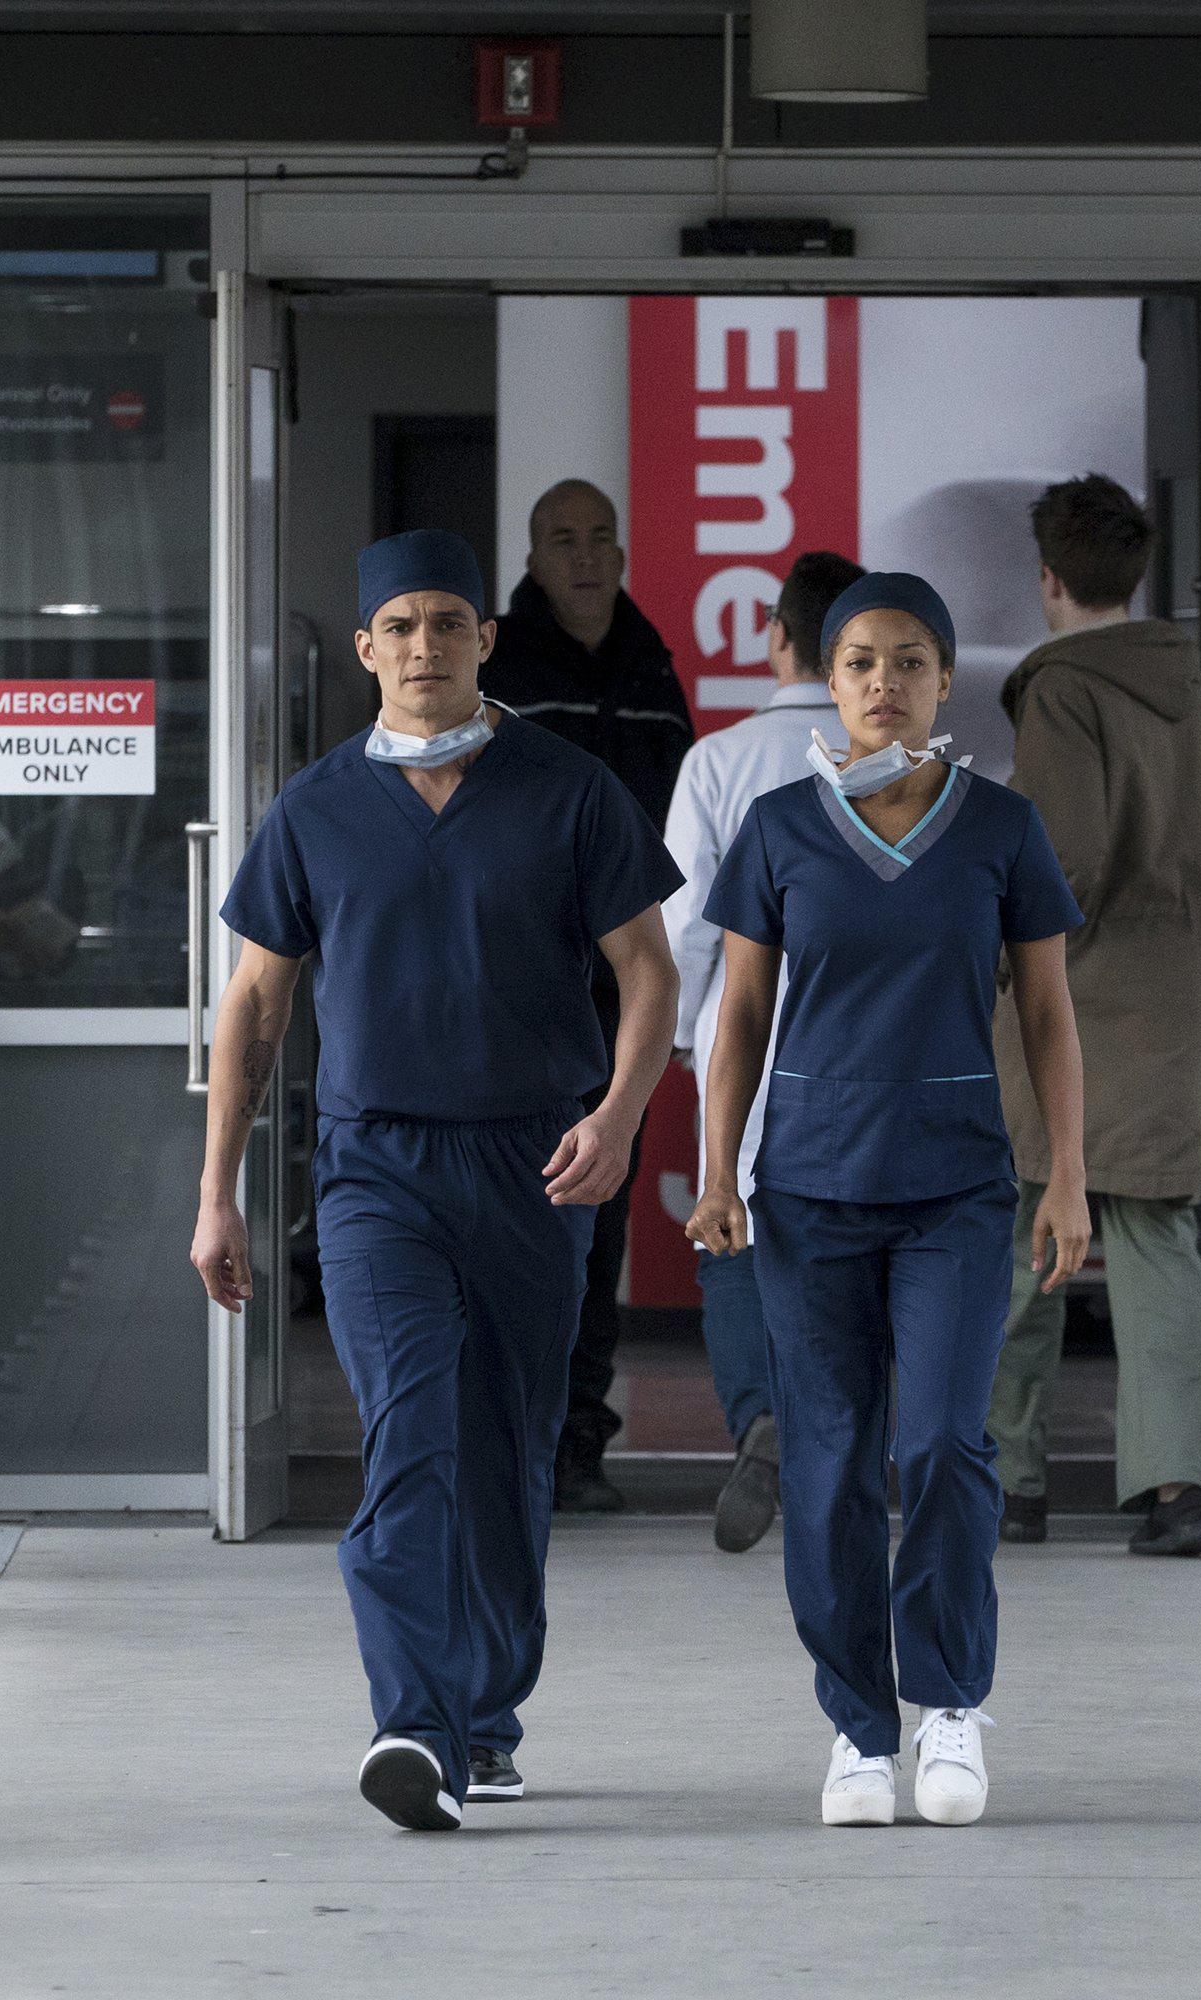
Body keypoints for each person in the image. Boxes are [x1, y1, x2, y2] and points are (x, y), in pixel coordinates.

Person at [192, 529, 682, 1833]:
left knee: (508, 1444)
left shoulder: (568, 790)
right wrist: (218, 1190)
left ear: (485, 641)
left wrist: (623, 1115)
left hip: (535, 1160)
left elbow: (650, 970)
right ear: (363, 649)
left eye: (447, 624)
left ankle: (487, 1708)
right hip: (376, 1166)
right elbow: (250, 1011)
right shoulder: (313, 811)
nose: (424, 647)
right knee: (410, 1434)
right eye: (399, 626)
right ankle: (415, 1724)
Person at [686, 572, 1090, 1830]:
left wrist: (1065, 1172)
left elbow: (1047, 1013)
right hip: (809, 1187)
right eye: (859, 660)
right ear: (833, 675)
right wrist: (715, 1168)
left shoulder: (1000, 829)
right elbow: (739, 1012)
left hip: (957, 1191)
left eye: (908, 661)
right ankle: (860, 1728)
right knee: (831, 1461)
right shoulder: (782, 828)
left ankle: (952, 1703)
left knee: (943, 1444)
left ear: (943, 678)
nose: (880, 682)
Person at [986, 474, 1201, 1558]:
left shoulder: (1063, 692)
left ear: (1048, 577)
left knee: (1022, 1234)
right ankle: (1175, 1484)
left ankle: (1009, 1480)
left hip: (1073, 1004)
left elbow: (1061, 858)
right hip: (1175, 993)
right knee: (1155, 1233)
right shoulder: (1190, 688)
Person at [485, 478, 697, 1514]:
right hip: (518, 986)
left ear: (622, 549)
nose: (583, 556)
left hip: (623, 988)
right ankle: (510, 1434)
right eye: (561, 540)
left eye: (600, 537)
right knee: (510, 1212)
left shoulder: (654, 669)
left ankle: (577, 1438)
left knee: (596, 1211)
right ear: (531, 557)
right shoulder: (503, 666)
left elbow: (677, 829)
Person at [662, 550, 866, 1553]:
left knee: (731, 1238)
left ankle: (762, 1420)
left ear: (777, 637)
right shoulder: (899, 758)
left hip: (745, 1039)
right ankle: (841, 1455)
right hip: (870, 1051)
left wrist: (676, 1033)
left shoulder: (719, 761)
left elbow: (688, 922)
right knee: (856, 1256)